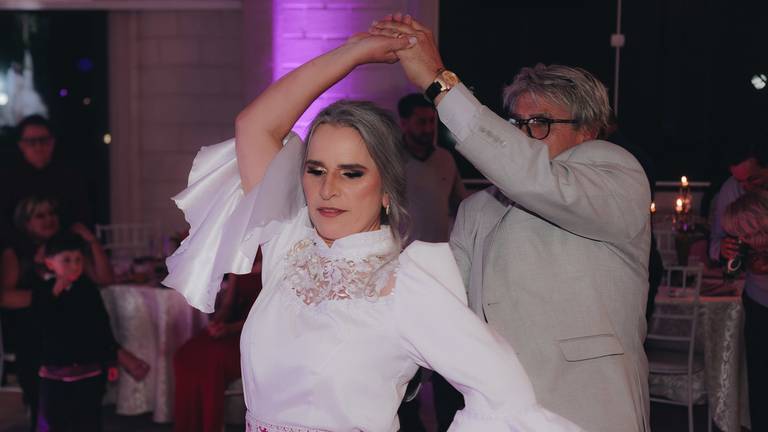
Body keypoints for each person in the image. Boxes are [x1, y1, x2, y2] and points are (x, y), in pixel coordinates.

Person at [163, 32, 582, 431]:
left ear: (385, 190)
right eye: (316, 170)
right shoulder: (287, 242)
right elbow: (254, 126)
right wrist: (353, 53)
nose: (328, 189)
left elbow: (506, 395)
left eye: (351, 173)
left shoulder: (407, 285)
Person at [371, 15, 651, 431]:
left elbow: (533, 178)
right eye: (516, 124)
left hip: (585, 407)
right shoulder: (477, 209)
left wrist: (439, 83)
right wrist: (391, 368)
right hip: (497, 413)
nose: (522, 136)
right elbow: (446, 310)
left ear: (588, 130)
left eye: (539, 124)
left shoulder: (616, 175)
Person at [0, 196, 145, 431]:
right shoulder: (16, 252)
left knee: (85, 307)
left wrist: (91, 241)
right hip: (35, 330)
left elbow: (104, 279)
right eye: (40, 215)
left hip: (73, 327)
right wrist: (49, 293)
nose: (49, 219)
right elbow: (5, 297)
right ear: (26, 222)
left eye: (52, 214)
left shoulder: (68, 248)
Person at [32, 232, 119, 432]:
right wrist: (54, 293)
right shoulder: (42, 292)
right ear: (50, 263)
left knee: (88, 419)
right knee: (55, 419)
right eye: (67, 260)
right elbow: (39, 325)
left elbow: (102, 326)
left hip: (88, 369)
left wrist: (110, 359)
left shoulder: (88, 290)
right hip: (55, 370)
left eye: (78, 260)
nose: (74, 266)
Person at [173, 254, 262, 432]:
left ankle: (210, 425)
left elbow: (266, 317)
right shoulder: (241, 260)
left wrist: (230, 329)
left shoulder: (275, 259)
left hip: (256, 335)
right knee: (185, 354)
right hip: (230, 327)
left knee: (212, 362)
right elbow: (228, 304)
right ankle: (189, 425)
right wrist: (217, 322)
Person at [714, 149, 768, 432]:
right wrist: (726, 251)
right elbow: (719, 243)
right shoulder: (732, 191)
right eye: (740, 181)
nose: (744, 187)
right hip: (758, 301)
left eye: (753, 179)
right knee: (759, 380)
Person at [0, 115, 92, 239]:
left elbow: (80, 217)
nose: (38, 147)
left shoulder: (69, 178)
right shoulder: (7, 180)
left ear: (52, 142)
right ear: (21, 145)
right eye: (31, 142)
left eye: (43, 140)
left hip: (63, 245)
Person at [398, 93, 467, 244]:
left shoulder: (445, 158)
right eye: (421, 122)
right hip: (402, 252)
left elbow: (461, 205)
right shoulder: (391, 160)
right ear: (404, 123)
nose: (428, 128)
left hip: (440, 250)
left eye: (431, 121)